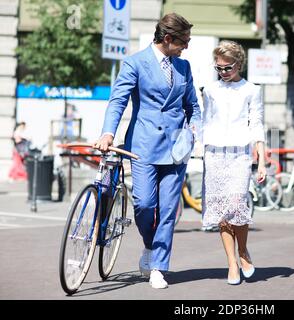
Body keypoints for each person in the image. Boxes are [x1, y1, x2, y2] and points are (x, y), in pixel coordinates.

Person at [94, 13, 201, 289]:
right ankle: (150, 246)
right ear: (167, 39)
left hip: (176, 148)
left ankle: (158, 267)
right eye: (183, 42)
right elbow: (118, 100)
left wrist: (195, 130)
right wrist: (108, 132)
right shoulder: (135, 63)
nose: (186, 47)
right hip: (143, 146)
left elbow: (193, 107)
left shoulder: (184, 67)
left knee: (167, 210)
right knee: (144, 204)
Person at [201, 40, 266, 285]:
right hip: (215, 153)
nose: (223, 72)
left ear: (238, 64)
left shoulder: (252, 90)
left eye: (227, 68)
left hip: (240, 153)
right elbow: (206, 121)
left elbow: (257, 123)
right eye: (219, 68)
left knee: (238, 204)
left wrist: (261, 159)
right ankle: (231, 263)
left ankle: (243, 251)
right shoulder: (209, 89)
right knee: (221, 210)